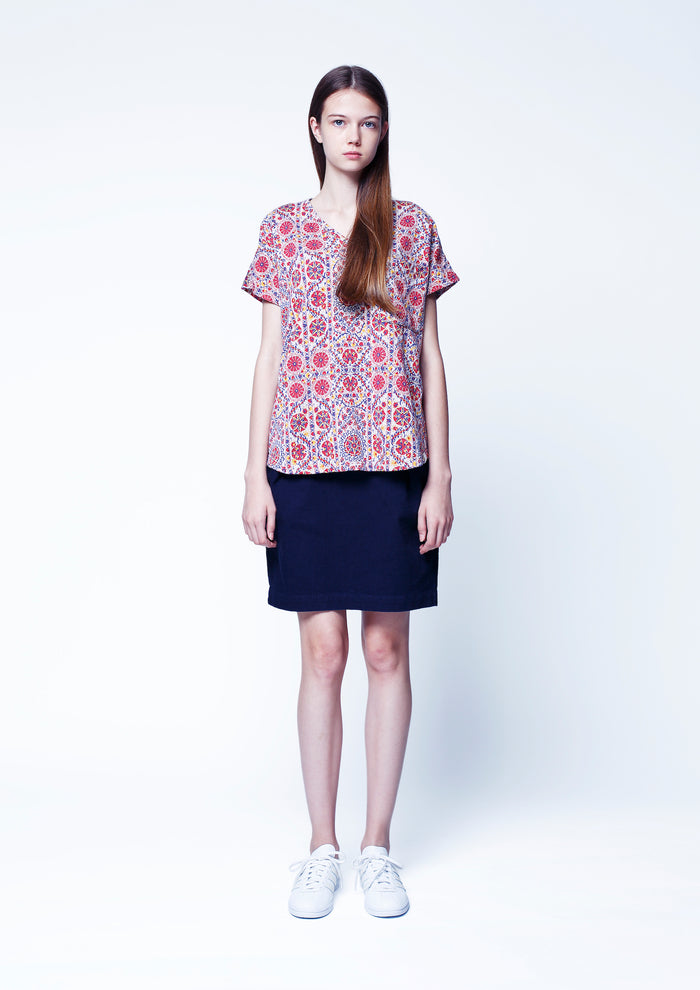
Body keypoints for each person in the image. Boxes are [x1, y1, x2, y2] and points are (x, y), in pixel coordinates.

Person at [240, 65, 459, 919]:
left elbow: (430, 357)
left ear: (383, 131)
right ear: (315, 129)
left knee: (386, 652)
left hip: (393, 467)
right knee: (323, 655)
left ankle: (377, 847)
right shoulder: (283, 229)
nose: (354, 136)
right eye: (339, 121)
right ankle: (321, 847)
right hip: (302, 466)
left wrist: (441, 475)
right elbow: (269, 357)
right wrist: (253, 474)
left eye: (367, 122)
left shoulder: (412, 227)